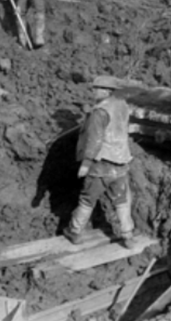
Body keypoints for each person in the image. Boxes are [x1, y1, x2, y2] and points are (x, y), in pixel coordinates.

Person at [63, 76, 139, 248]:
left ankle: (74, 232)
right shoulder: (122, 105)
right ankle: (128, 236)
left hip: (101, 163)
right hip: (120, 161)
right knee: (121, 200)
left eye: (96, 89)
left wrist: (85, 164)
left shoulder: (100, 112)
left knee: (87, 199)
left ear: (106, 91)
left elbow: (95, 140)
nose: (93, 92)